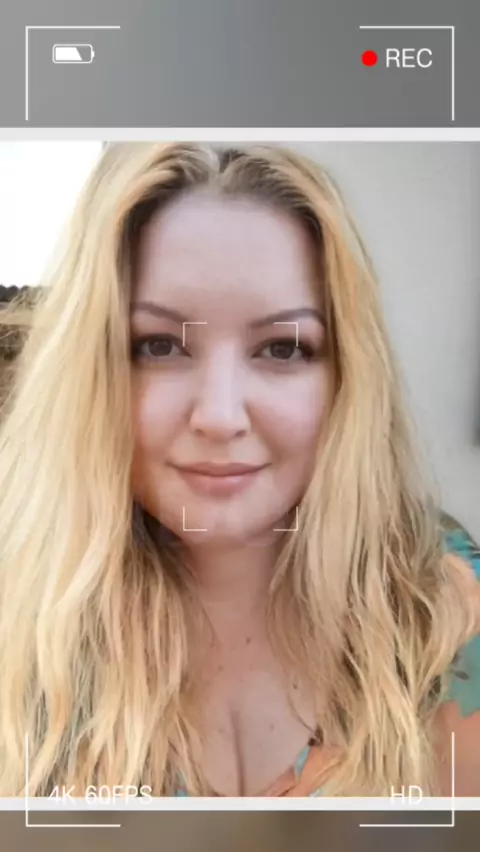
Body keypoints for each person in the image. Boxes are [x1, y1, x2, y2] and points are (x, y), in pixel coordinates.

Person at [0, 142, 478, 798]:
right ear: (89, 374)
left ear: (347, 378)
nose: (220, 416)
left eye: (282, 348)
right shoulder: (19, 622)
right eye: (158, 346)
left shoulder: (449, 610)